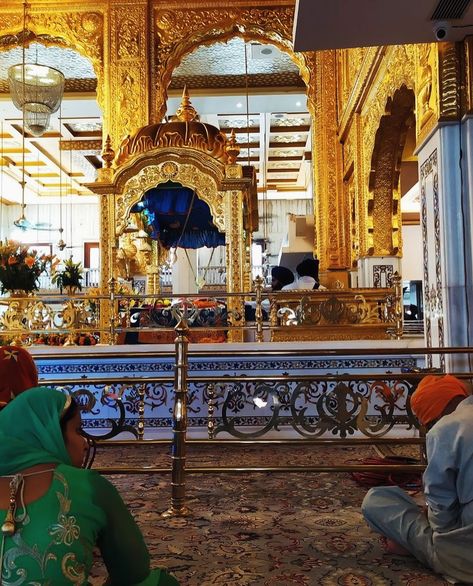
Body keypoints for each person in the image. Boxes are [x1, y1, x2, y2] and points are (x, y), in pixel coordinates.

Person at [0, 387, 179, 585]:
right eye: (77, 430)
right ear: (50, 432)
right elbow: (133, 573)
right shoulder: (88, 485)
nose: (85, 443)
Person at [362, 374, 473, 584]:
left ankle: (412, 546)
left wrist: (424, 520)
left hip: (465, 558)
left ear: (432, 418)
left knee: (376, 499)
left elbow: (442, 520)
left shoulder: (445, 428)